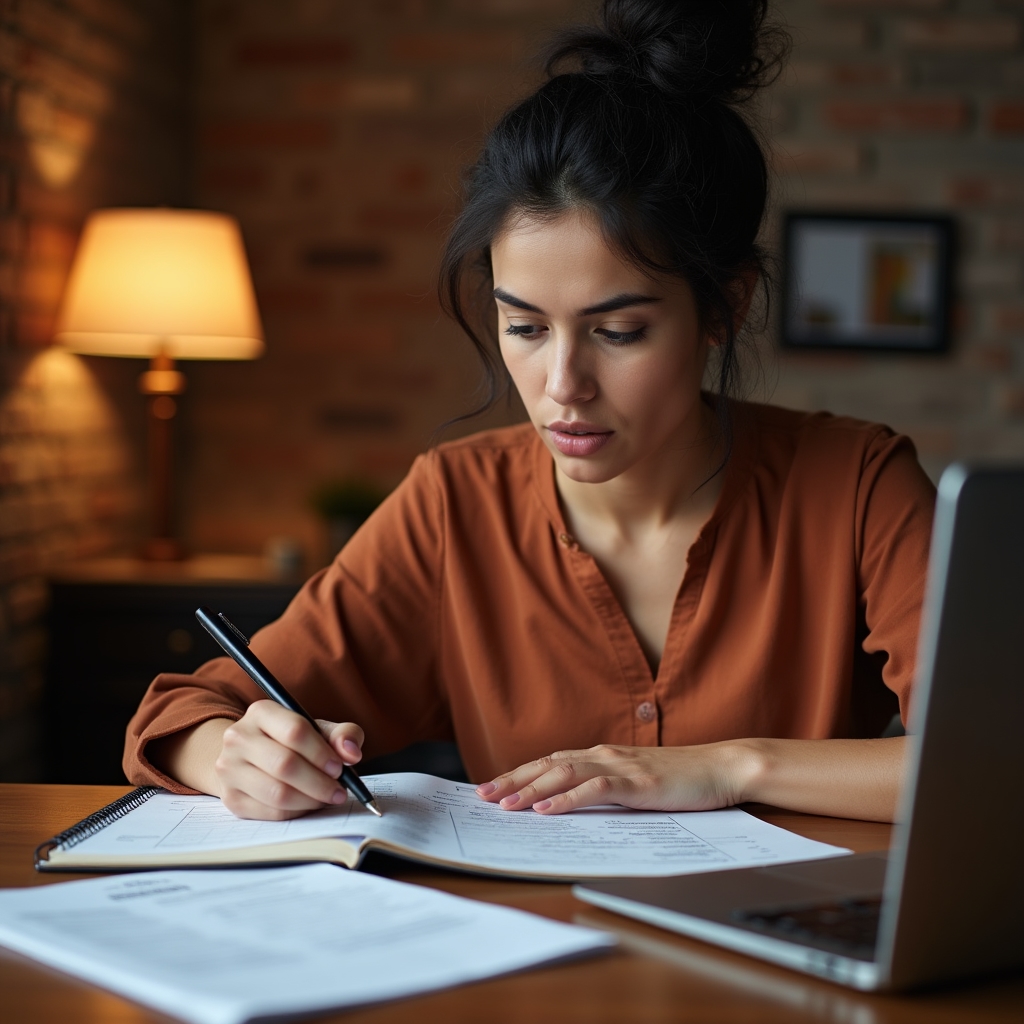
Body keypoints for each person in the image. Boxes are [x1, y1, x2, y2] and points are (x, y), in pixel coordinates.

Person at [126, 0, 935, 825]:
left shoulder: (860, 488)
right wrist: (244, 756)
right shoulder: (454, 502)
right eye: (524, 327)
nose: (562, 384)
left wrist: (733, 766)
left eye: (618, 332)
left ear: (725, 306)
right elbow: (186, 713)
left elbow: (993, 757)